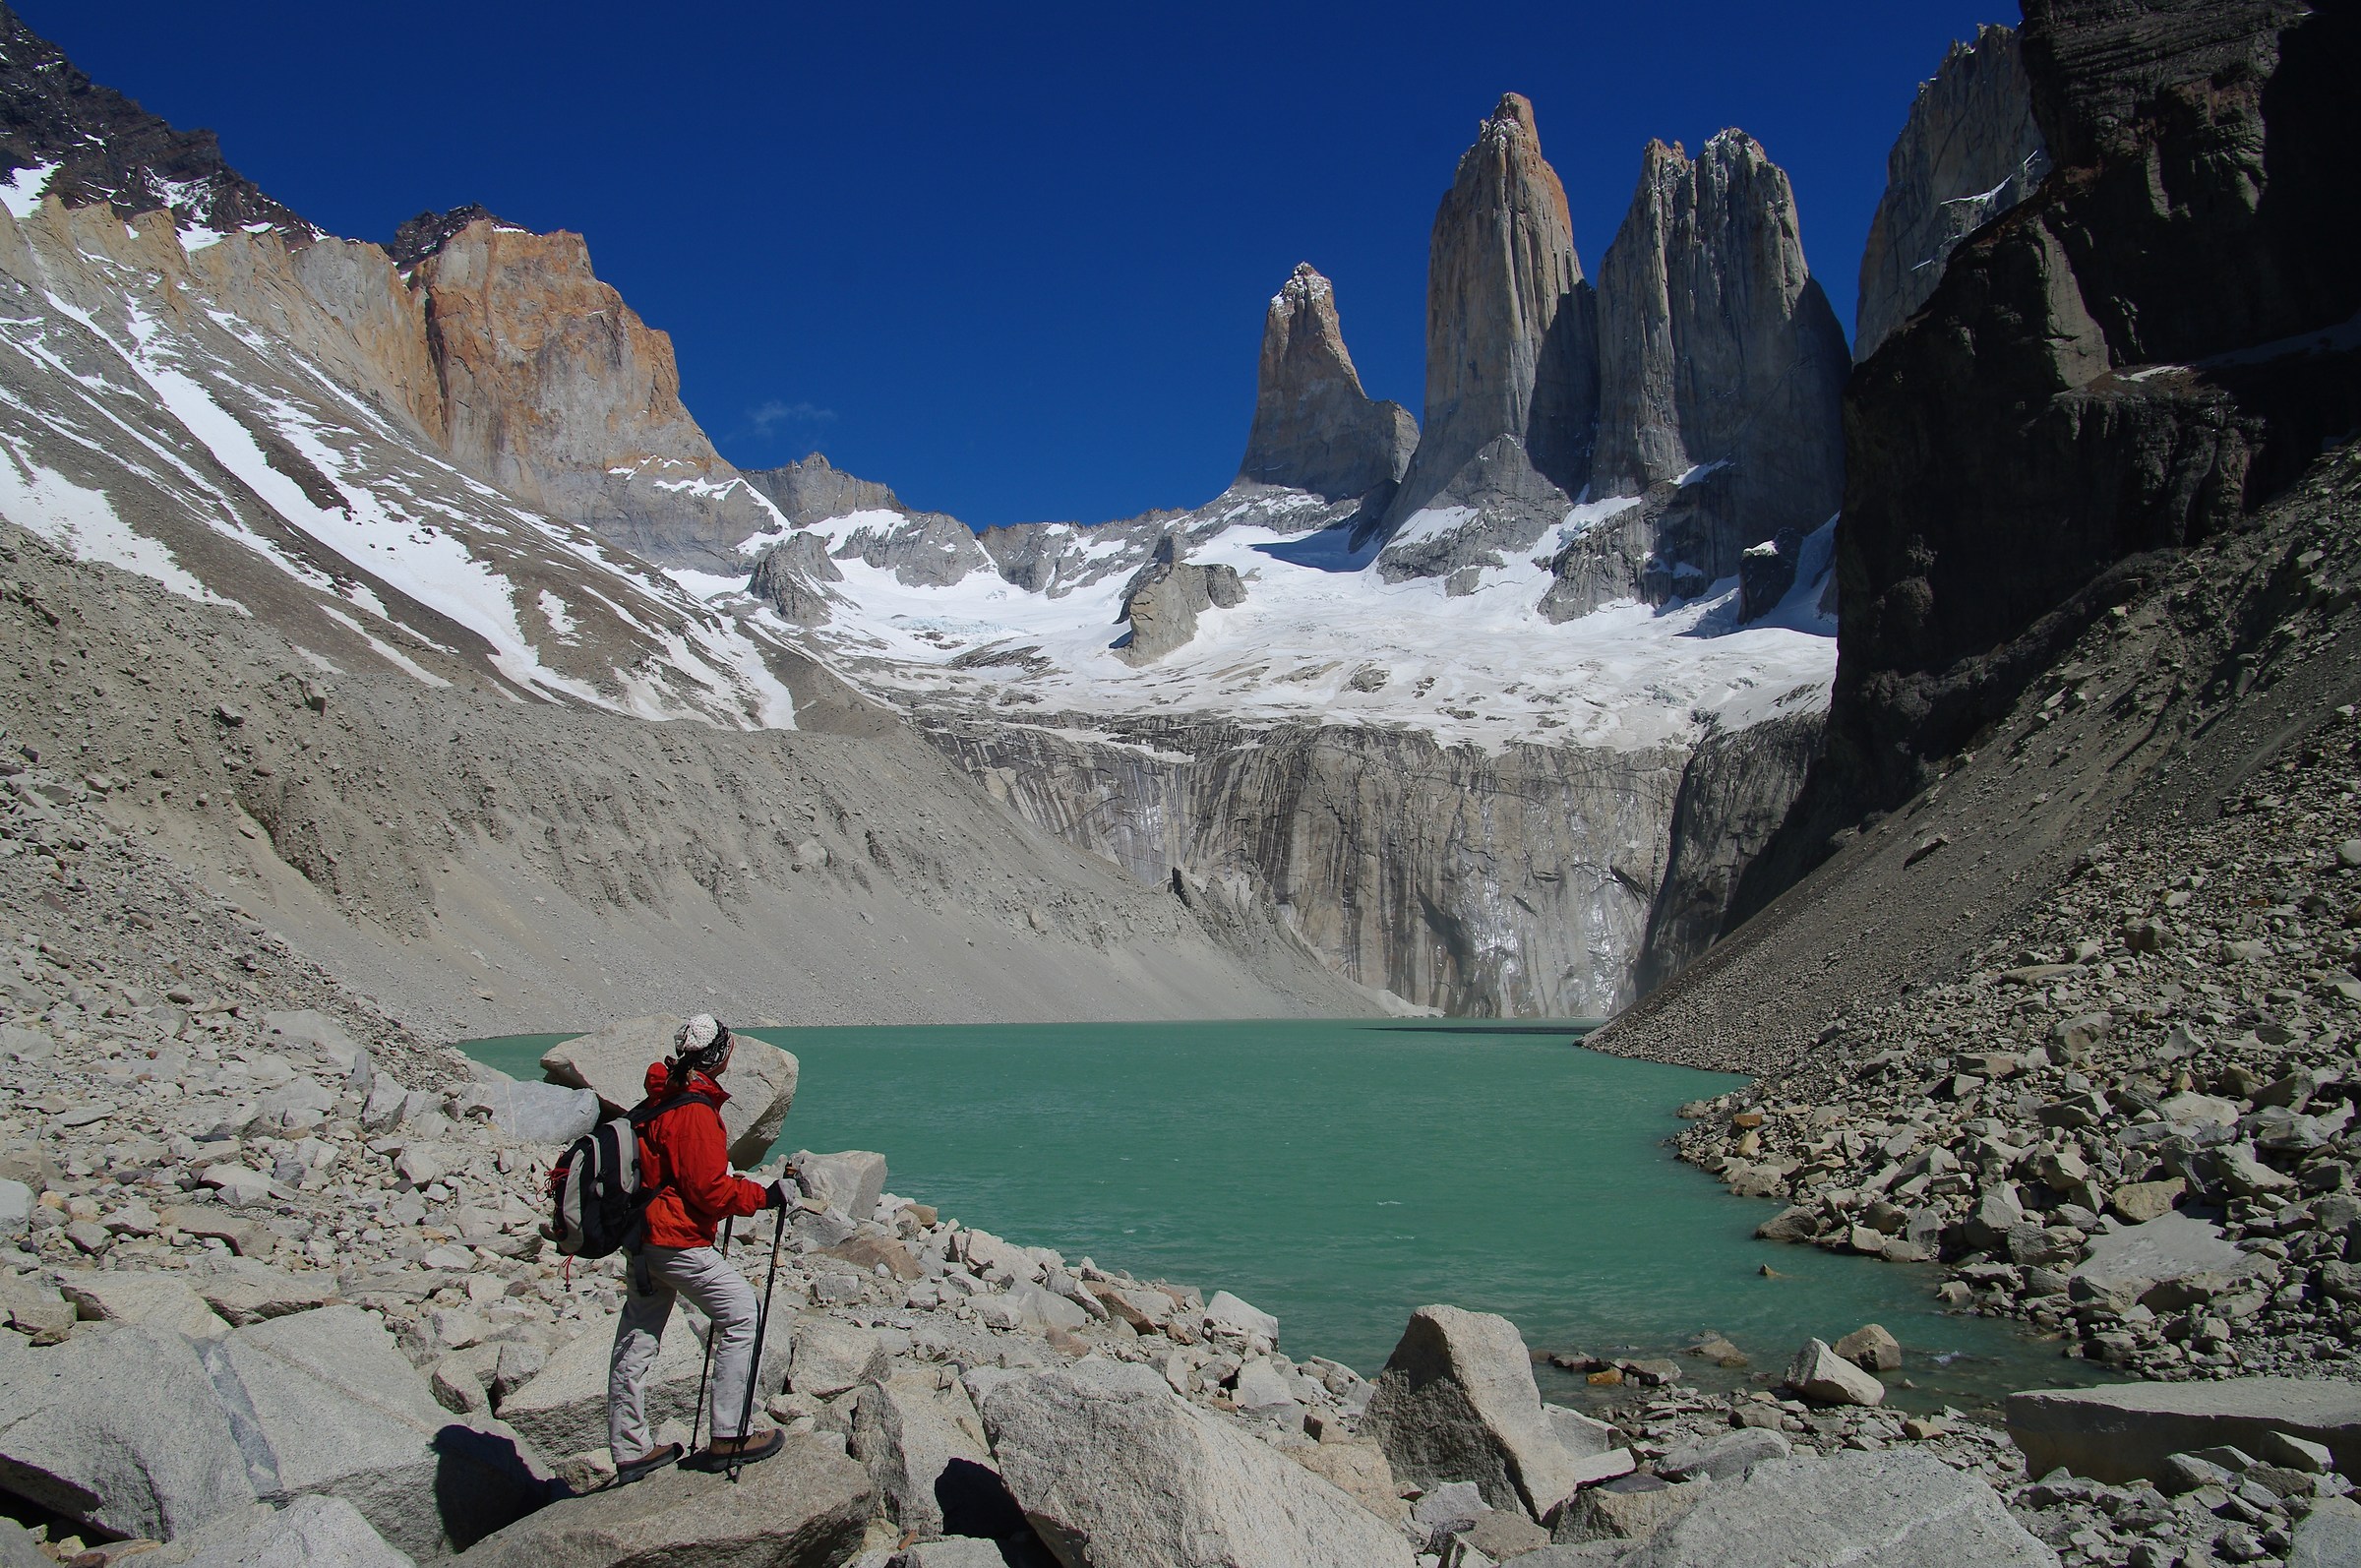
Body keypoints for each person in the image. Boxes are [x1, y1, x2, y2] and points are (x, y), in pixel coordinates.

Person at [607, 1014, 794, 1481]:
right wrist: (764, 1196)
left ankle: (630, 1450)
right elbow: (708, 1190)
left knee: (637, 1339)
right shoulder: (694, 1110)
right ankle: (729, 1433)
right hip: (677, 1240)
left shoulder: (660, 1097)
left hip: (643, 1238)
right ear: (719, 1056)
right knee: (741, 1313)